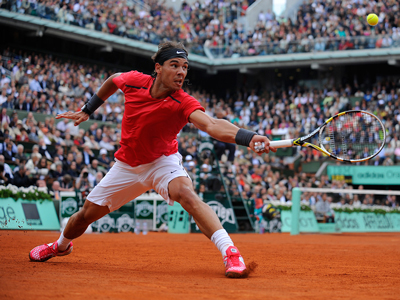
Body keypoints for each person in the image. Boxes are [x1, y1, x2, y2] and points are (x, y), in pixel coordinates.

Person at [28, 41, 276, 278]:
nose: (181, 72)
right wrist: (88, 109)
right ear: (158, 67)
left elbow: (212, 125)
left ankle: (230, 252)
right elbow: (113, 80)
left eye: (185, 67)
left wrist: (249, 137)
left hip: (162, 162)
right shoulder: (134, 81)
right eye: (175, 65)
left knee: (187, 195)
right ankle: (60, 246)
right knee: (84, 216)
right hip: (127, 165)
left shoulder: (183, 102)